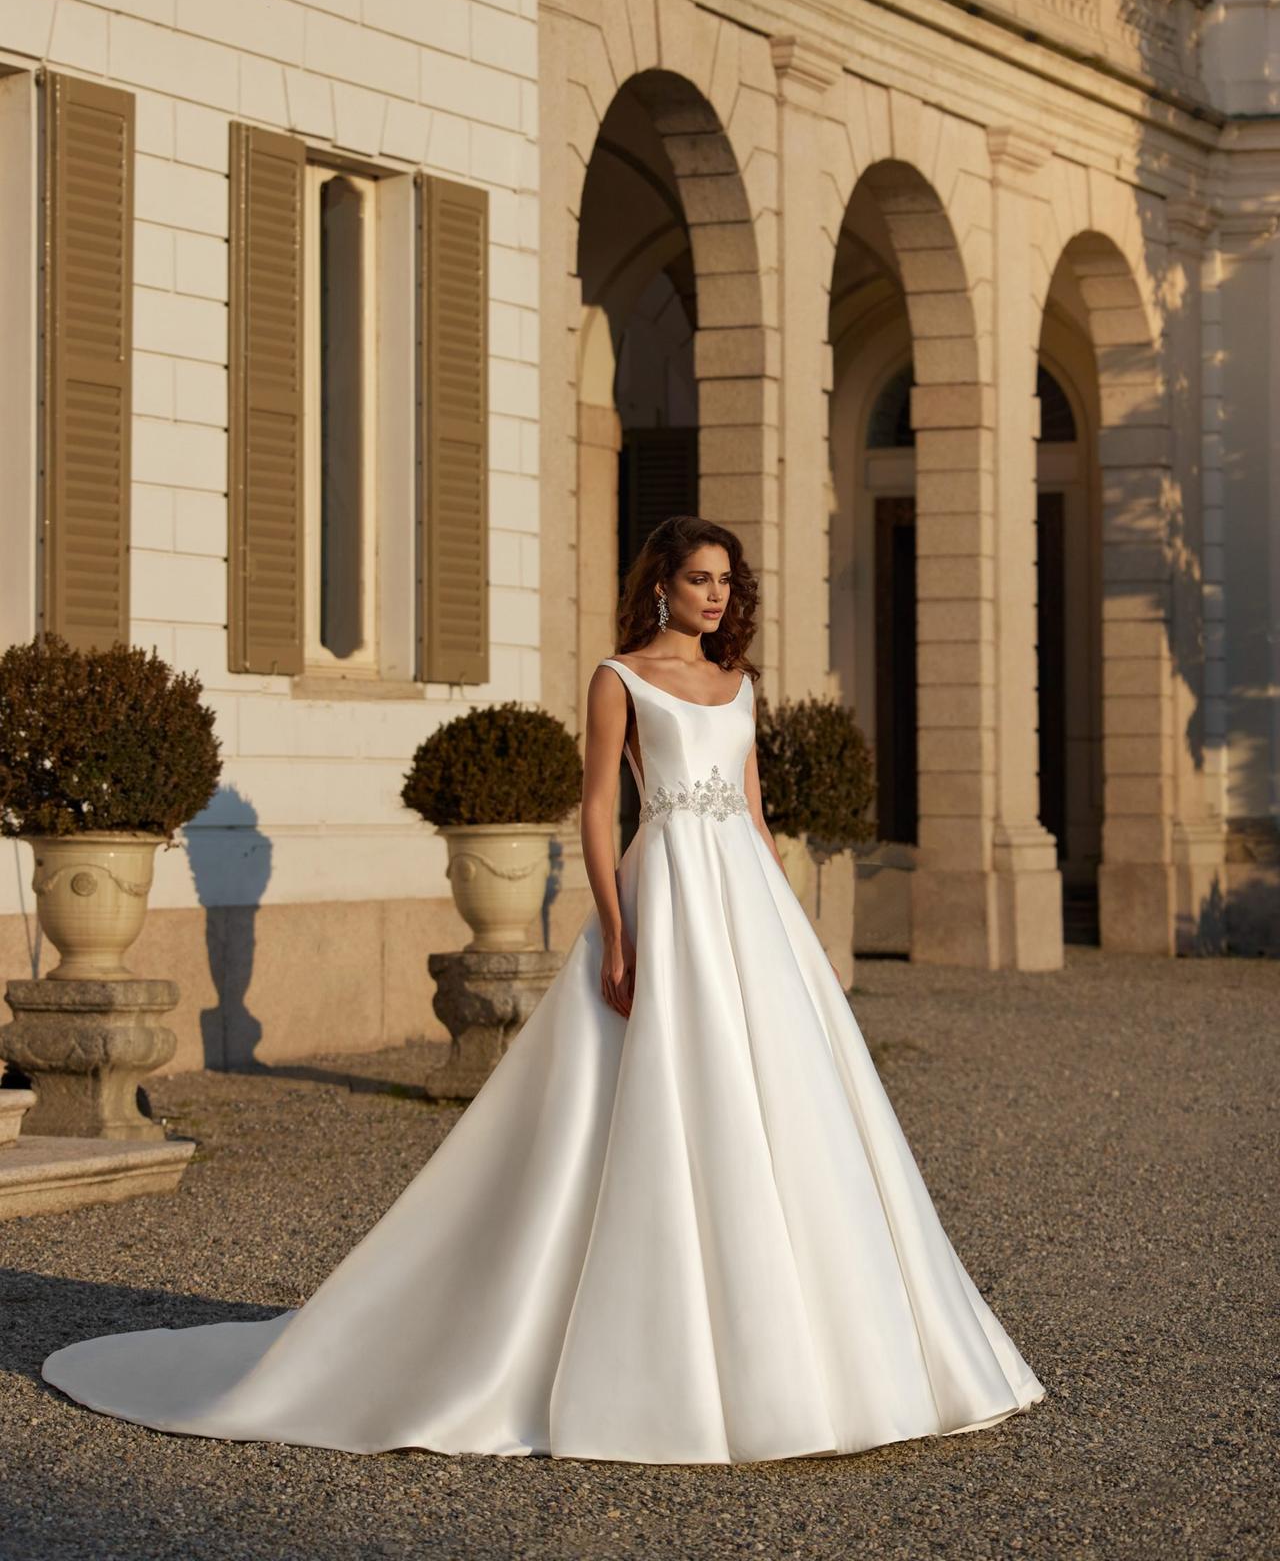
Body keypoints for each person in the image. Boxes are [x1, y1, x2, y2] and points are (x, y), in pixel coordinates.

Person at [41, 514, 1044, 1463]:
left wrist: (801, 934)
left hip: (748, 909)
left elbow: (754, 812)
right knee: (641, 1101)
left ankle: (823, 1359)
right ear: (659, 583)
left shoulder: (738, 684)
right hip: (669, 897)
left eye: (724, 581)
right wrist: (615, 935)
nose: (713, 595)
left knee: (793, 1108)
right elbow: (600, 814)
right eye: (698, 578)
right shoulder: (619, 679)